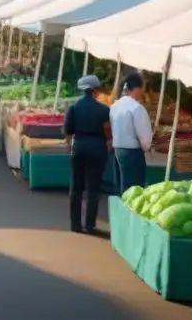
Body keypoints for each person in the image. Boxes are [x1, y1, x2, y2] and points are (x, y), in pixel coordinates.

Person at [64, 74, 111, 234]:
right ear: (94, 90)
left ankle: (75, 224)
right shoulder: (104, 109)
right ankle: (90, 224)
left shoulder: (74, 108)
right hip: (97, 147)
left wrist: (69, 147)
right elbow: (106, 130)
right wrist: (108, 142)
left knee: (76, 188)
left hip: (79, 146)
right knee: (93, 188)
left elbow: (68, 132)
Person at [110, 71, 152, 195]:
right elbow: (144, 133)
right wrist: (147, 146)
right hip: (132, 152)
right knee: (133, 190)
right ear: (137, 89)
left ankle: (120, 211)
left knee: (120, 186)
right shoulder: (136, 108)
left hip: (117, 149)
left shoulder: (115, 106)